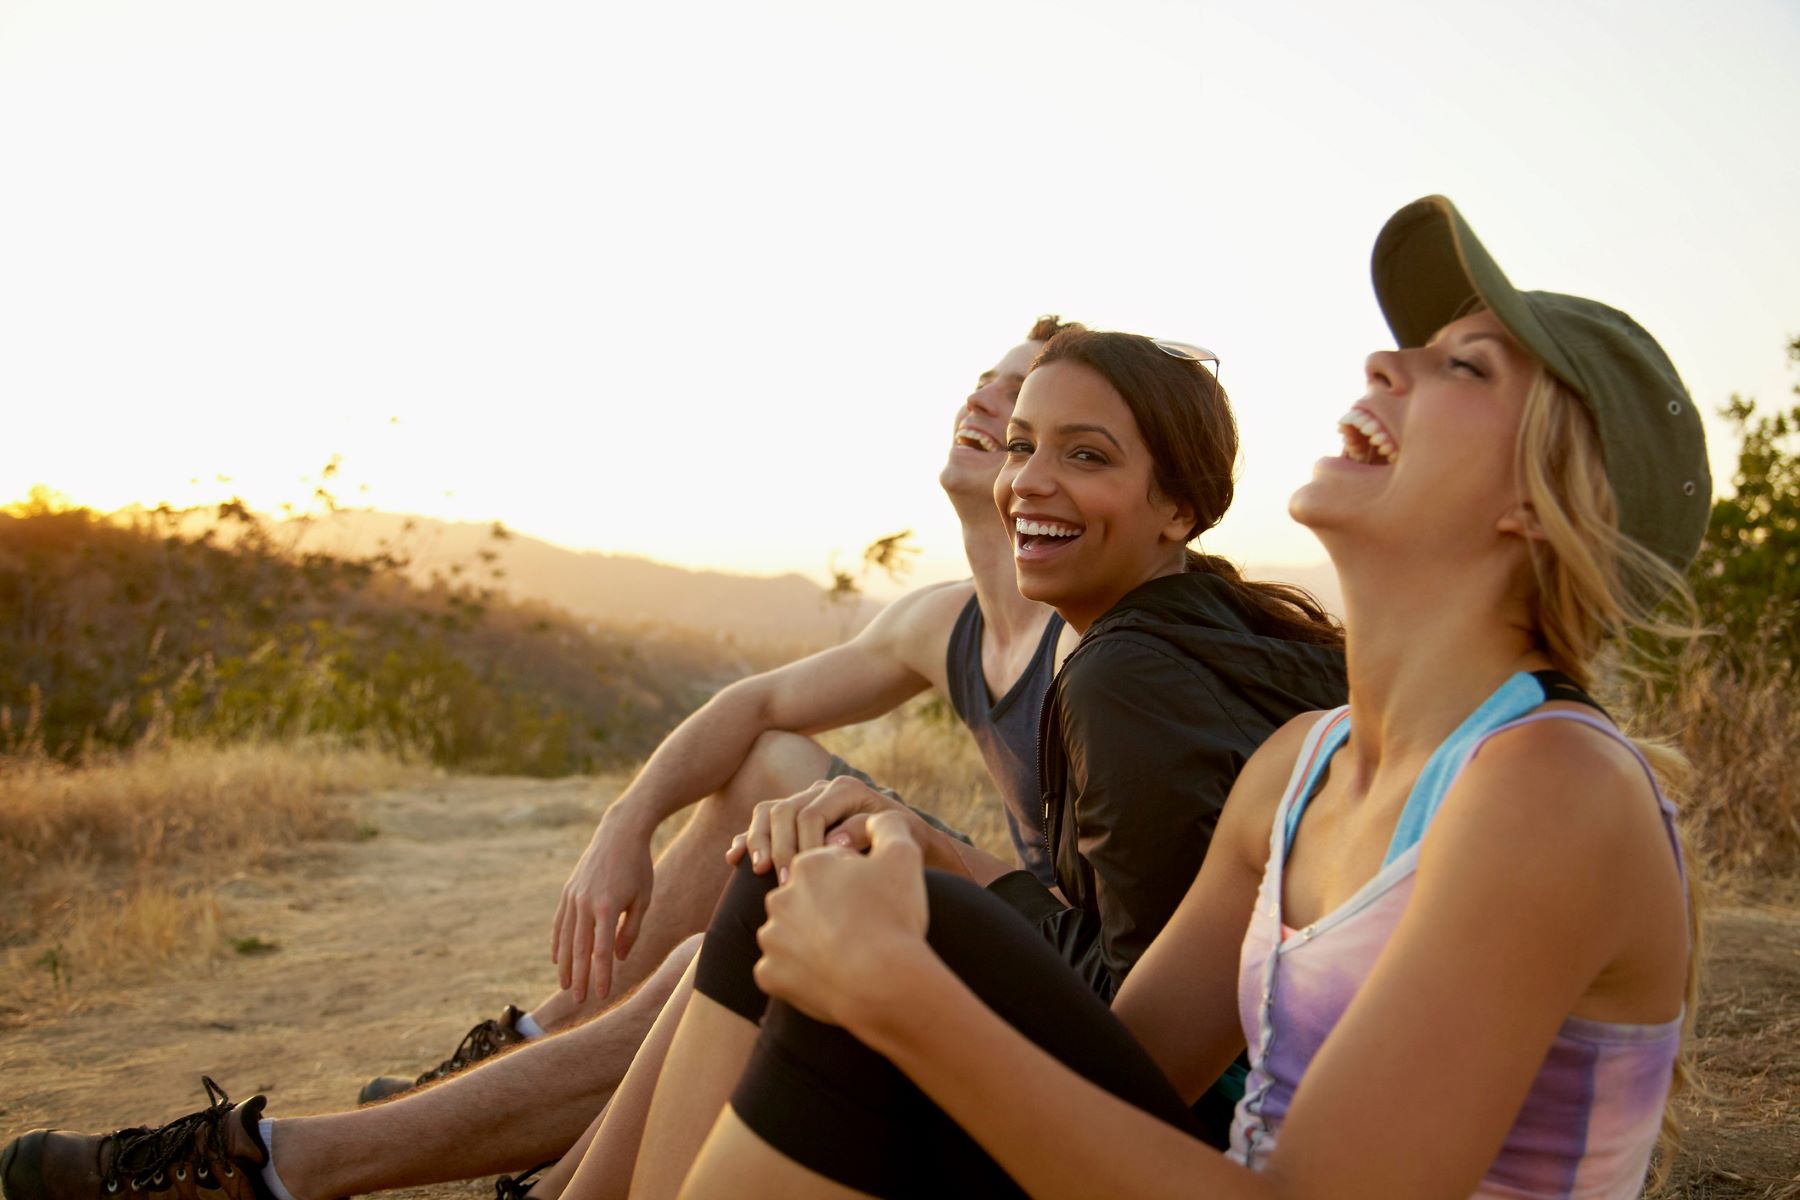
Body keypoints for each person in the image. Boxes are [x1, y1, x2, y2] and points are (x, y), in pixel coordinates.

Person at [658, 196, 1709, 1199]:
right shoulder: (1301, 766)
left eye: (1461, 366)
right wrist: (914, 866)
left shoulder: (1552, 789)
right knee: (807, 876)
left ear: (1543, 499)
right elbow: (1128, 1063)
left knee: (882, 958)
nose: (1385, 360)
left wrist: (898, 992)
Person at [0, 317, 1086, 1200]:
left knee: (750, 920)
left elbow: (1121, 939)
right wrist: (625, 830)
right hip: (1010, 925)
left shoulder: (1090, 639)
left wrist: (914, 844)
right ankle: (531, 1044)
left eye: (1020, 398)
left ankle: (281, 1165)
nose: (982, 401)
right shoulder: (942, 619)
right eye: (984, 382)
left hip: (1053, 981)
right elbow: (752, 703)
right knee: (772, 764)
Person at [601, 325, 1349, 1198]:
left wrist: (934, 904)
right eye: (1023, 446)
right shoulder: (1225, 623)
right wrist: (928, 847)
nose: (1030, 479)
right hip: (1234, 1081)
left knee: (789, 881)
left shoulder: (1125, 678)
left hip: (1192, 1133)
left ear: (1177, 508)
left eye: (1086, 455)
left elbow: (1144, 1032)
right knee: (833, 868)